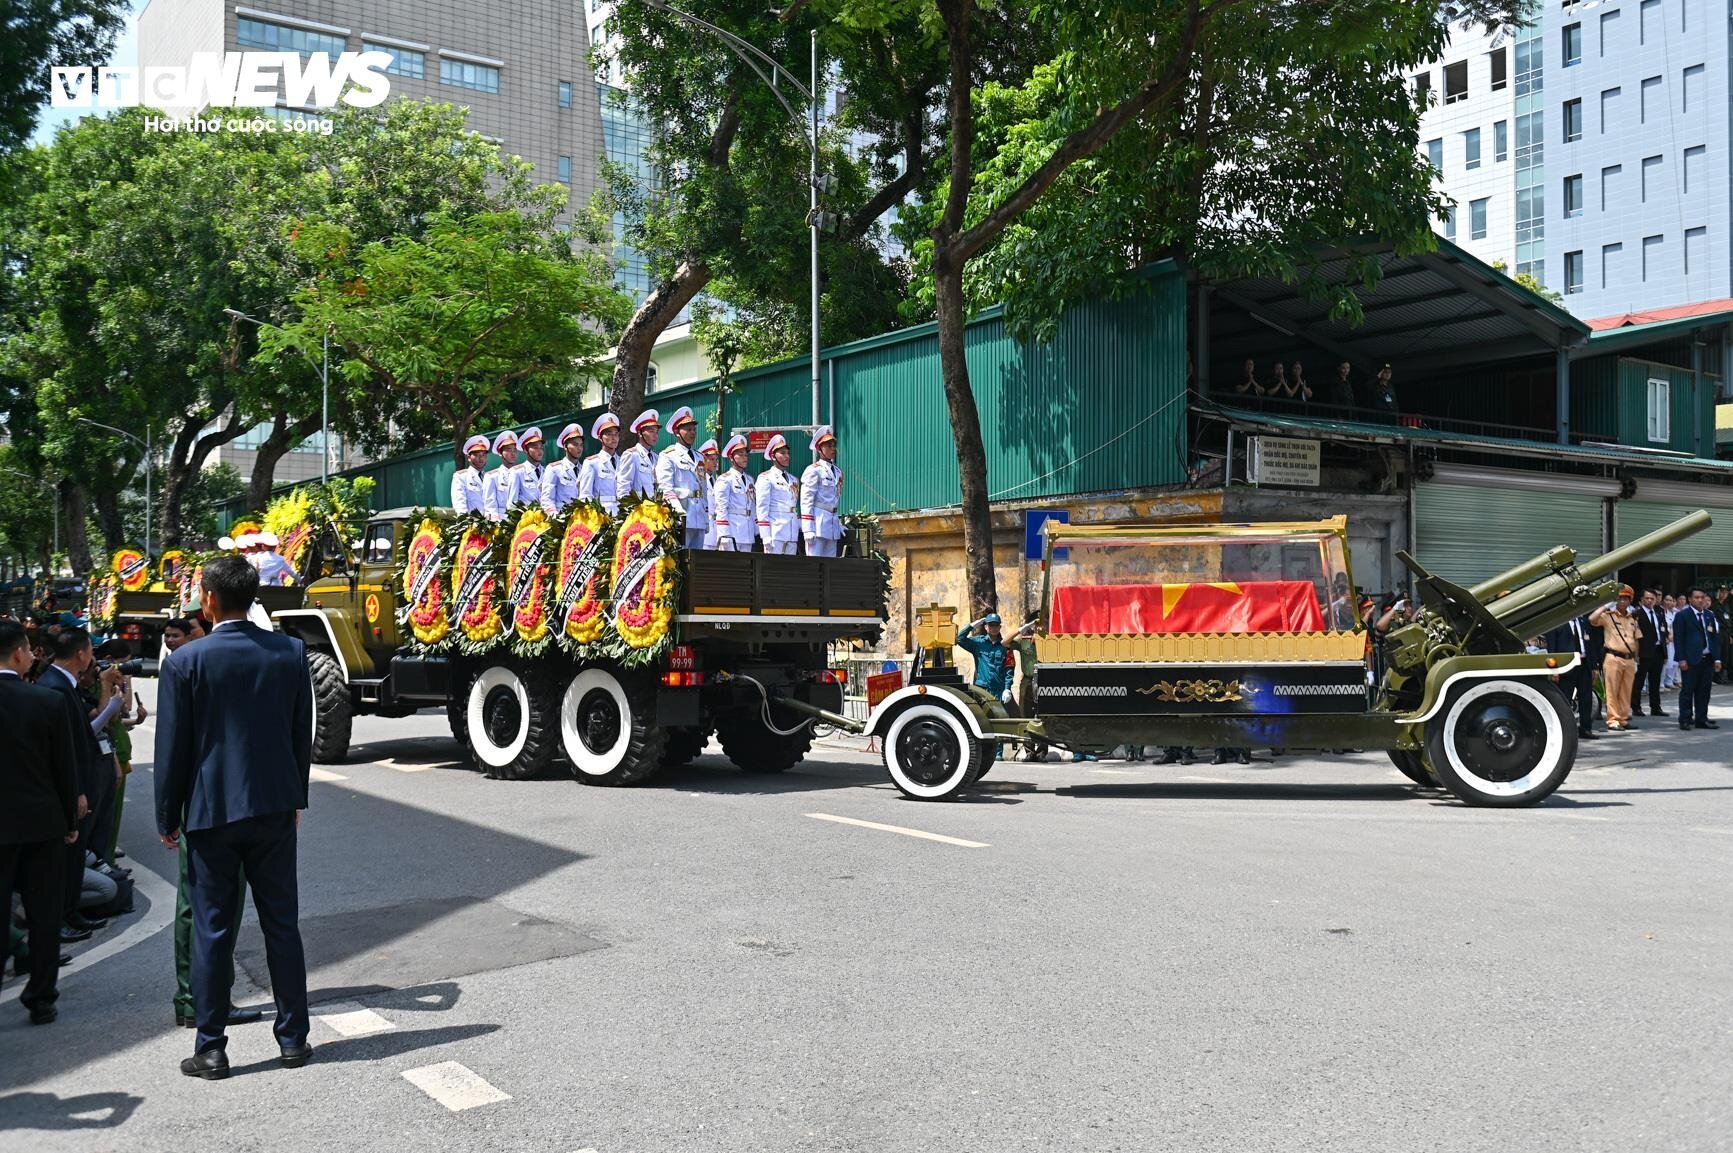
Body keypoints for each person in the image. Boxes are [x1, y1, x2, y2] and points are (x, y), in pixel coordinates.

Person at [155, 555, 313, 1079]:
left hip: (210, 812)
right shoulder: (289, 653)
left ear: (208, 600)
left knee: (213, 930)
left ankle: (212, 1048)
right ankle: (293, 1039)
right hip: (272, 808)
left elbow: (173, 749)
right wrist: (296, 797)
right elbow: (299, 736)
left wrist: (165, 816)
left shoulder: (185, 662)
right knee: (282, 926)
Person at [0, 619, 80, 1025]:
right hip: (42, 821)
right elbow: (64, 769)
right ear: (18, 654)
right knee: (44, 913)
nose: (32, 657)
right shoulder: (46, 703)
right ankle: (41, 996)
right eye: (29, 650)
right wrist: (70, 818)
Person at [40, 628, 120, 941]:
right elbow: (65, 748)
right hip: (71, 789)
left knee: (75, 857)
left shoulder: (64, 684)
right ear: (81, 653)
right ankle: (61, 918)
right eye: (91, 651)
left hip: (81, 784)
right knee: (65, 859)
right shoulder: (56, 686)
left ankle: (72, 913)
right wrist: (76, 792)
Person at [654, 406, 709, 548]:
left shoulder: (699, 456)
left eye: (694, 429)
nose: (692, 433)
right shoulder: (668, 455)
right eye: (688, 429)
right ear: (677, 432)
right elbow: (665, 488)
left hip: (699, 516)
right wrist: (678, 513)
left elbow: (703, 489)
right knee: (682, 561)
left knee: (697, 562)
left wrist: (706, 516)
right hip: (682, 515)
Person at [1588, 587, 1641, 732]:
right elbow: (1592, 619)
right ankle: (1612, 719)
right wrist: (1606, 604)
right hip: (1613, 657)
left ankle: (1623, 719)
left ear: (1630, 600)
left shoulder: (1632, 618)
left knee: (1626, 690)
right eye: (1620, 598)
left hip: (1629, 659)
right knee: (1612, 690)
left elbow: (1636, 640)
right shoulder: (1608, 616)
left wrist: (1636, 660)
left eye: (1626, 598)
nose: (1623, 601)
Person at [1544, 613, 1600, 740]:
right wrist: (1554, 670)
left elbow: (1591, 645)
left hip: (1584, 664)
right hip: (1566, 666)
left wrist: (1594, 667)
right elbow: (1551, 647)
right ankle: (1564, 730)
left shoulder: (1583, 621)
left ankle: (1586, 728)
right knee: (1565, 699)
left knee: (1586, 698)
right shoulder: (1558, 622)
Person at [1674, 586, 1722, 730]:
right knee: (1687, 691)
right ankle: (1685, 719)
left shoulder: (1709, 615)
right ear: (1690, 599)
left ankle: (1701, 718)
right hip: (1690, 660)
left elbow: (1714, 638)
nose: (1700, 600)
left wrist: (1717, 658)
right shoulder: (1682, 615)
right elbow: (1679, 639)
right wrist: (1681, 658)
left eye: (1702, 597)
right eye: (1697, 597)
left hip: (1707, 659)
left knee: (1704, 691)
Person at [799, 425, 845, 557]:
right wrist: (808, 528)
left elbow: (835, 499)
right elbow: (806, 500)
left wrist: (838, 523)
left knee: (830, 565)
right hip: (817, 523)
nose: (833, 449)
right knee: (814, 564)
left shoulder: (837, 472)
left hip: (832, 524)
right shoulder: (813, 470)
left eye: (833, 446)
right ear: (819, 449)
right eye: (828, 446)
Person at [955, 613, 1015, 709]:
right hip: (981, 689)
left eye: (996, 625)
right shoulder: (978, 643)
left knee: (1000, 719)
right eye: (991, 625)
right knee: (981, 719)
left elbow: (1009, 669)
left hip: (999, 690)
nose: (994, 628)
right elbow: (960, 639)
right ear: (986, 627)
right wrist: (972, 625)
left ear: (1000, 627)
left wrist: (1007, 688)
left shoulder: (1005, 645)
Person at [754, 433, 800, 555]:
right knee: (772, 570)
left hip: (791, 533)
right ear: (773, 456)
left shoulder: (793, 480)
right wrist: (765, 535)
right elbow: (762, 508)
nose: (787, 456)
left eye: (788, 453)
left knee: (789, 570)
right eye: (783, 453)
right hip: (775, 533)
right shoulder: (766, 477)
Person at [712, 434, 755, 552]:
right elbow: (721, 507)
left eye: (746, 455)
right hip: (732, 532)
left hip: (747, 532)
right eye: (740, 455)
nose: (744, 458)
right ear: (731, 458)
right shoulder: (725, 479)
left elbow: (752, 507)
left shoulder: (750, 480)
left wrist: (756, 529)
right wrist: (724, 533)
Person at [1632, 587, 1669, 718]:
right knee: (1639, 680)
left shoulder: (1659, 611)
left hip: (1658, 650)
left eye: (1652, 598)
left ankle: (1655, 707)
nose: (1649, 601)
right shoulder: (1637, 613)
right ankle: (1636, 707)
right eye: (1647, 598)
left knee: (1655, 680)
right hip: (1644, 651)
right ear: (1641, 600)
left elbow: (1663, 629)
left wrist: (1665, 650)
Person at [580, 413, 623, 514]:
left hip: (623, 515)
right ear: (600, 437)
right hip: (602, 515)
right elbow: (585, 495)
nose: (614, 437)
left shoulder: (624, 462)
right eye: (609, 434)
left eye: (616, 434)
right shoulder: (592, 463)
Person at [540, 423, 585, 517]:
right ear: (565, 446)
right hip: (562, 518)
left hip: (582, 520)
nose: (579, 448)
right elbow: (547, 499)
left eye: (581, 445)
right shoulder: (554, 469)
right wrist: (556, 519)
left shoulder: (585, 469)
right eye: (575, 444)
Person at [616, 409, 660, 505]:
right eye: (651, 431)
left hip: (656, 511)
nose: (655, 435)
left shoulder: (657, 458)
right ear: (640, 433)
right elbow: (623, 487)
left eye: (656, 432)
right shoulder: (631, 455)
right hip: (638, 511)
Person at [485, 430, 521, 521]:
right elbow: (490, 506)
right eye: (509, 450)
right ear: (500, 453)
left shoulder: (521, 473)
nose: (513, 453)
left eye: (514, 450)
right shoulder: (492, 476)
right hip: (502, 521)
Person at [450, 434, 490, 515]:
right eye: (477, 454)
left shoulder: (490, 477)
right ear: (468, 457)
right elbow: (459, 504)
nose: (481, 458)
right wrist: (466, 524)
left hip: (492, 523)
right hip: (473, 524)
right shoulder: (461, 477)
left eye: (483, 454)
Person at [696, 438, 720, 549]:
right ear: (704, 460)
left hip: (716, 528)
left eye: (716, 459)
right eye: (712, 459)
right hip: (705, 526)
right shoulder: (700, 479)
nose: (715, 462)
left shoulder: (716, 480)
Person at [515, 427, 545, 510]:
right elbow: (512, 504)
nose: (540, 451)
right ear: (525, 450)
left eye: (541, 447)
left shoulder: (547, 471)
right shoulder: (517, 472)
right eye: (535, 447)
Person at [1660, 594, 1681, 690]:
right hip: (1665, 640)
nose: (1669, 602)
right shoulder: (1660, 612)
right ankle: (1661, 683)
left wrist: (1672, 635)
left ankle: (1669, 681)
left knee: (1672, 662)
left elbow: (1674, 626)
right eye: (1667, 600)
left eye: (1671, 600)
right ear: (1663, 601)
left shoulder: (1672, 613)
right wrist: (1666, 636)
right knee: (1664, 662)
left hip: (1673, 640)